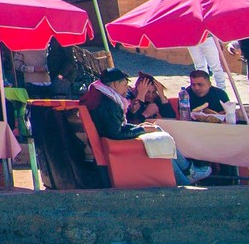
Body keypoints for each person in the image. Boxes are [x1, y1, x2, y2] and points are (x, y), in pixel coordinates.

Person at [82, 68, 211, 185]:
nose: (127, 88)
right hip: (115, 143)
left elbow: (116, 126)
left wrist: (143, 126)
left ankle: (188, 170)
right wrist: (143, 128)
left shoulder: (104, 96)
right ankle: (185, 177)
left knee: (159, 132)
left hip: (113, 139)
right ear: (115, 84)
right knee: (161, 141)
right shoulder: (107, 103)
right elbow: (116, 133)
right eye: (125, 85)